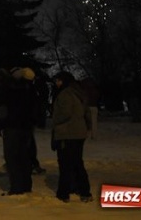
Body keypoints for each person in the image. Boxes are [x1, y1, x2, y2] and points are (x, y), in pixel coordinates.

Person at [52, 71, 93, 203]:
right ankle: (84, 191)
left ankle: (63, 193)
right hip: (79, 132)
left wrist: (54, 120)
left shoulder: (65, 94)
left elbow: (64, 113)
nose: (56, 83)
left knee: (65, 164)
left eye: (58, 80)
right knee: (77, 162)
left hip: (67, 133)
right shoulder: (79, 92)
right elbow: (87, 113)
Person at [0, 68, 37, 196]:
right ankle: (26, 185)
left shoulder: (9, 90)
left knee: (12, 157)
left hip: (12, 127)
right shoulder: (31, 90)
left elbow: (2, 110)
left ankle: (17, 186)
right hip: (26, 127)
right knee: (24, 156)